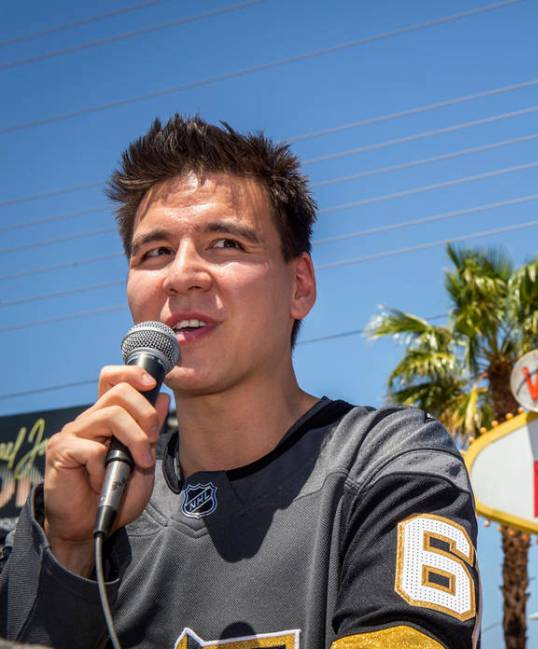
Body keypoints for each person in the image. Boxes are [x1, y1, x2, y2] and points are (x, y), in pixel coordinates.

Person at [0, 115, 481, 648]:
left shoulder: (388, 459)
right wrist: (67, 547)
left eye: (225, 243)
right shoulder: (90, 500)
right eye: (154, 252)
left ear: (299, 285)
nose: (182, 275)